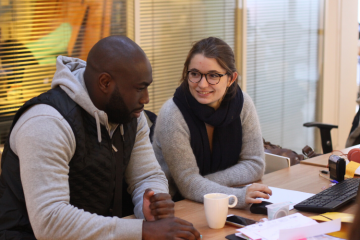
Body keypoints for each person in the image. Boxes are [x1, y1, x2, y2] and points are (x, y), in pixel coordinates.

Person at [0, 36, 200, 240]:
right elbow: (50, 221)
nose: (146, 99)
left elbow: (146, 176)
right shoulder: (47, 122)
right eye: (139, 88)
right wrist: (142, 231)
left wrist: (151, 202)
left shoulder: (129, 113)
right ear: (105, 82)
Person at [152, 37, 271, 208]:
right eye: (194, 74)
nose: (202, 84)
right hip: (177, 205)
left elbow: (254, 164)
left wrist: (200, 184)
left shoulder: (243, 104)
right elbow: (186, 185)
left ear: (231, 79)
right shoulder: (173, 114)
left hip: (214, 199)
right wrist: (237, 196)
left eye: (213, 76)